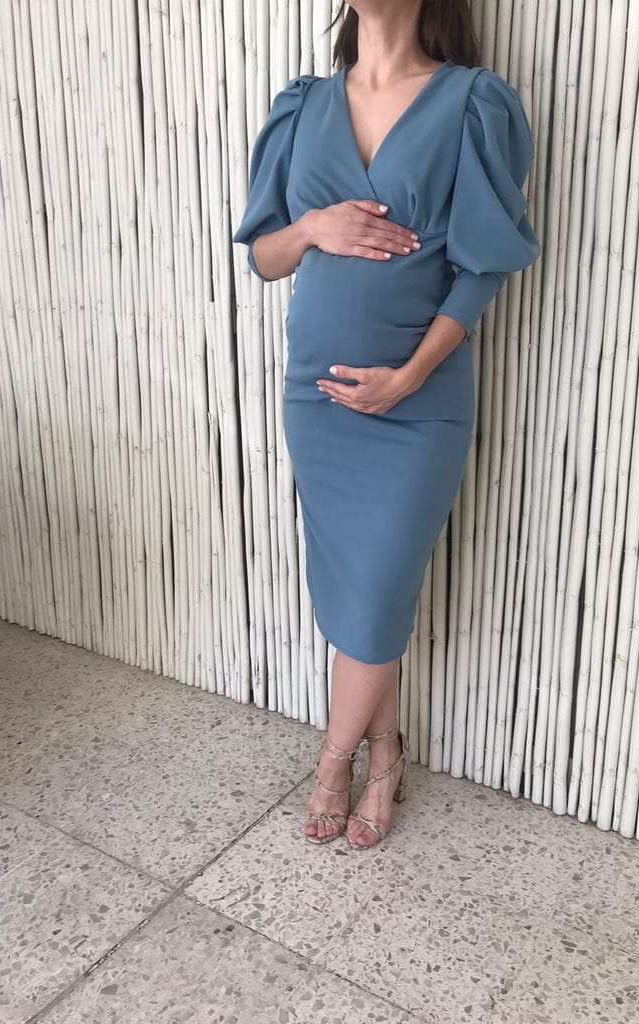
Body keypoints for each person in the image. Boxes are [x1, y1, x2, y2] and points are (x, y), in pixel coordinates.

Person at [232, 0, 540, 849]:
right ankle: (386, 752)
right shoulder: (302, 104)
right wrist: (312, 226)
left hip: (418, 404)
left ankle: (333, 761)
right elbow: (263, 255)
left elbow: (484, 268)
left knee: (375, 591)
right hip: (318, 400)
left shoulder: (472, 102)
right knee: (370, 597)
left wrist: (409, 375)